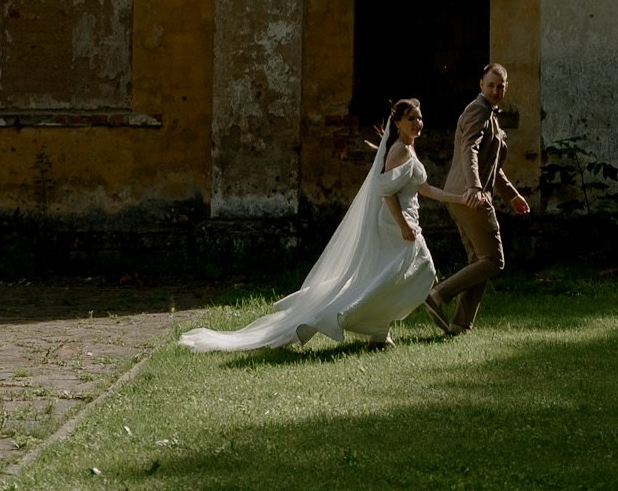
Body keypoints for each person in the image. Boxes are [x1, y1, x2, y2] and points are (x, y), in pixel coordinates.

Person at [179, 98, 484, 352]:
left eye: (420, 118)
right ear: (399, 123)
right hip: (395, 223)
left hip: (406, 220)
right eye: (412, 119)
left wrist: (458, 197)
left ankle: (379, 334)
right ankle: (342, 317)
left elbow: (424, 188)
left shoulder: (410, 148)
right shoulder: (400, 151)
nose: (418, 124)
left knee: (390, 275)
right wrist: (403, 224)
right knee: (418, 268)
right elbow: (385, 192)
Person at [424, 63, 531, 335]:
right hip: (470, 197)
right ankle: (438, 294)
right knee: (494, 260)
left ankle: (460, 323)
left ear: (506, 88)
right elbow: (469, 149)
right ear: (480, 84)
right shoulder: (477, 110)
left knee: (479, 262)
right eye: (491, 85)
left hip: (464, 195)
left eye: (500, 86)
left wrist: (512, 196)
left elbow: (492, 166)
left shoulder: (491, 114)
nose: (495, 90)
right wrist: (474, 187)